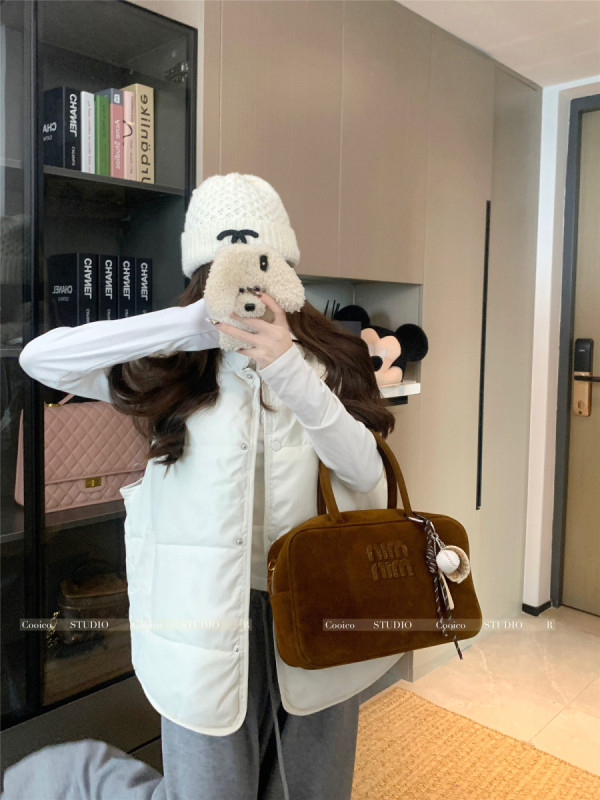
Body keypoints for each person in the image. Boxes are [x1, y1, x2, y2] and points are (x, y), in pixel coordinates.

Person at [7, 173, 401, 800]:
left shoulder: (330, 362)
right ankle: (76, 775)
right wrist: (189, 326)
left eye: (262, 265)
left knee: (314, 790)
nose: (248, 286)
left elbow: (368, 480)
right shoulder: (173, 366)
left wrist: (291, 371)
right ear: (201, 274)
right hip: (202, 622)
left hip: (321, 609)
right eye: (227, 269)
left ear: (286, 268)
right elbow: (40, 360)